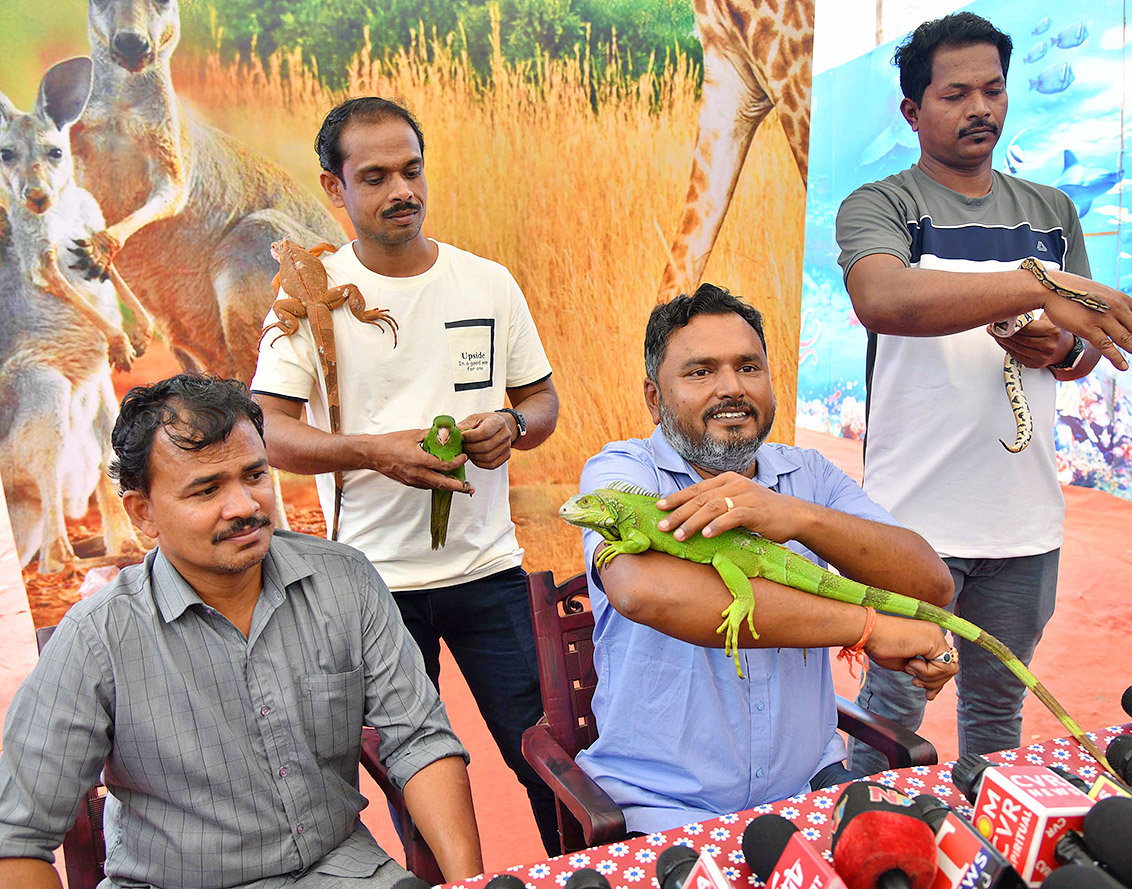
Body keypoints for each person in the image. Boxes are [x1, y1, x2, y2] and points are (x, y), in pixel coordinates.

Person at [834, 12, 1132, 776]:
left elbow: (1086, 350)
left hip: (1025, 525)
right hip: (911, 522)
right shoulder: (881, 205)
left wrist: (1063, 343)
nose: (980, 108)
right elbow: (884, 298)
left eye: (993, 89)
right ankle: (863, 840)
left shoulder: (1053, 213)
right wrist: (1036, 285)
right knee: (888, 715)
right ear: (912, 111)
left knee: (996, 713)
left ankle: (990, 847)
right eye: (956, 93)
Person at [0, 374, 483, 889]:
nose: (245, 506)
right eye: (207, 489)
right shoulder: (98, 639)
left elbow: (421, 741)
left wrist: (468, 886)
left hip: (341, 874)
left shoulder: (345, 581)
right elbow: (15, 841)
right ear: (143, 512)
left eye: (254, 476)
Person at [250, 98, 560, 852]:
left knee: (550, 766)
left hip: (489, 572)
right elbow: (269, 429)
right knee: (416, 788)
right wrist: (372, 450)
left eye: (412, 170)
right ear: (335, 187)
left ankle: (578, 870)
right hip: (370, 586)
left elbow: (542, 402)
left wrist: (511, 429)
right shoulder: (308, 294)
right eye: (377, 176)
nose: (402, 191)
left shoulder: (487, 282)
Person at [573, 286, 959, 834]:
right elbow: (644, 591)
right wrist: (869, 629)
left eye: (748, 366)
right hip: (660, 807)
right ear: (655, 399)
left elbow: (932, 583)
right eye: (701, 372)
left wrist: (797, 517)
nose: (732, 388)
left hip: (807, 789)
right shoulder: (623, 476)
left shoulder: (810, 475)